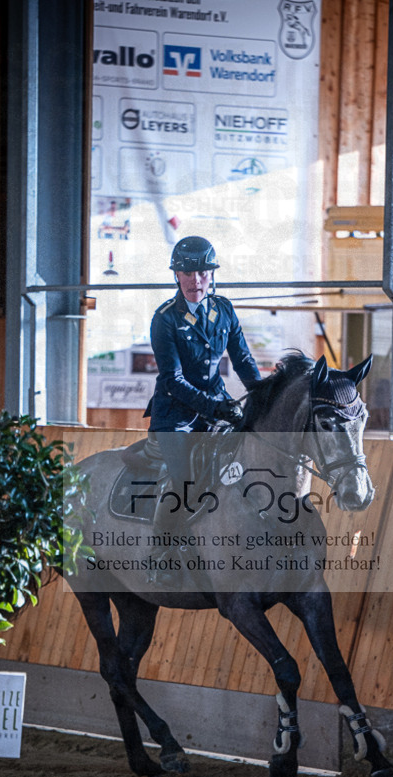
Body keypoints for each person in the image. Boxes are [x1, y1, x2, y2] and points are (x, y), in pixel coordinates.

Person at [143, 236, 260, 579]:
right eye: (187, 272)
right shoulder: (164, 319)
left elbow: (243, 360)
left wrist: (262, 394)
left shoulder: (223, 309)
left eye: (202, 272)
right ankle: (160, 553)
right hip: (174, 416)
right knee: (184, 481)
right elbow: (173, 380)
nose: (195, 279)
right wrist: (215, 408)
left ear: (211, 274)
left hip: (216, 406)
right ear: (176, 275)